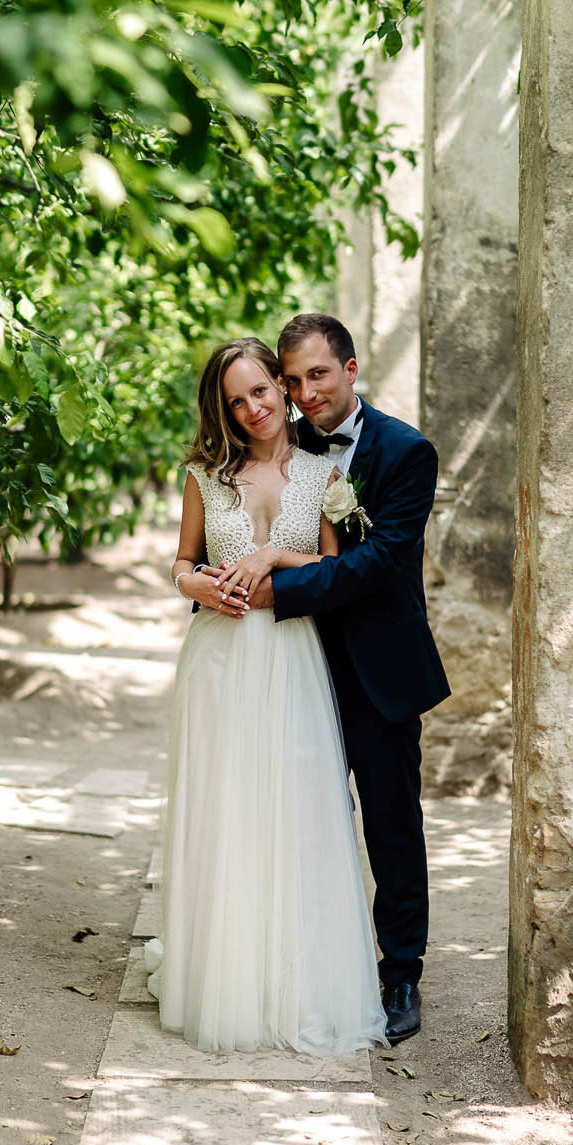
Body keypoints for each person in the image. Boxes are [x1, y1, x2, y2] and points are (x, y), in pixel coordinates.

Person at [209, 313, 449, 1045]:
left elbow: (381, 564)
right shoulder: (284, 445)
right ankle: (306, 961)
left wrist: (277, 578)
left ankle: (400, 969)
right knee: (300, 817)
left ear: (350, 369)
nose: (302, 392)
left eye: (317, 375)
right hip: (294, 665)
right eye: (291, 380)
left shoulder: (407, 452)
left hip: (376, 666)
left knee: (390, 822)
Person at [147, 337, 388, 1056]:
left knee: (291, 808)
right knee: (225, 810)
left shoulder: (322, 475)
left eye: (261, 391)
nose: (253, 408)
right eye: (235, 400)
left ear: (283, 391)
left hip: (289, 657)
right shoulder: (204, 476)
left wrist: (275, 557)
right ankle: (222, 977)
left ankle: (293, 980)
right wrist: (199, 587)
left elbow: (334, 572)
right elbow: (181, 564)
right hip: (219, 661)